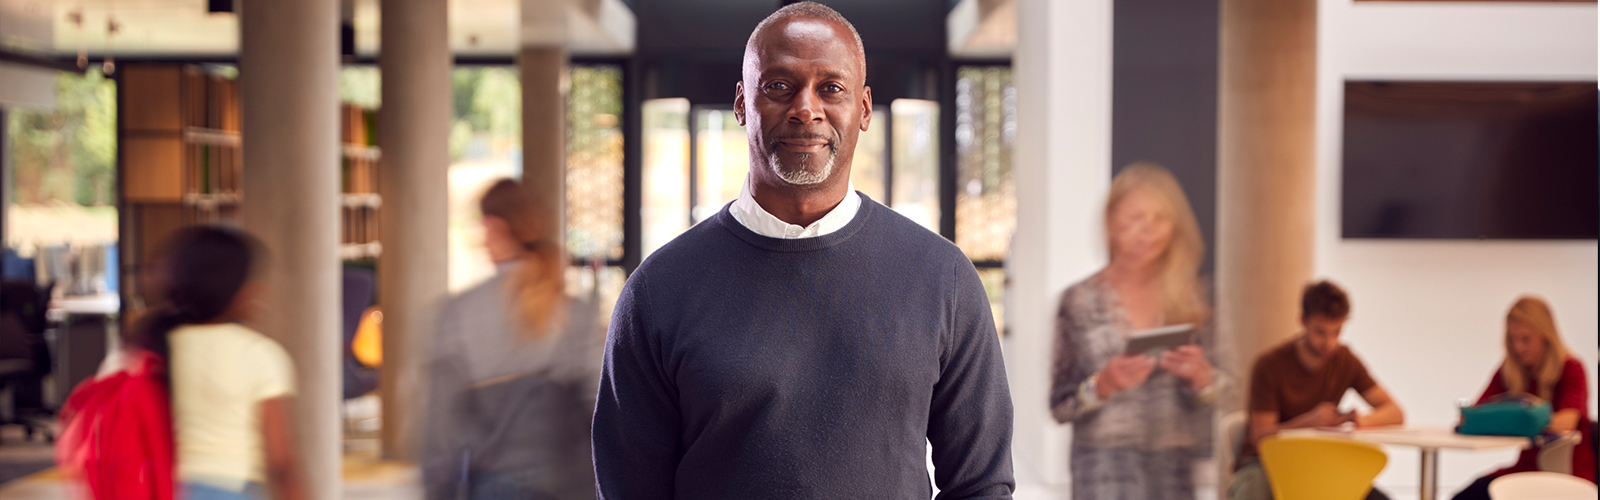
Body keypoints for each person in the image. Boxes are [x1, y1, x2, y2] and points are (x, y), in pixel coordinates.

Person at [590, 3, 1014, 498]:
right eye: (778, 86)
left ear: (865, 109)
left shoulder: (944, 279)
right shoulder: (657, 292)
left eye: (830, 88)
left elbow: (981, 485)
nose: (805, 108)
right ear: (742, 103)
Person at [421, 178, 603, 499]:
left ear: (494, 226)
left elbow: (441, 424)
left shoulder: (460, 314)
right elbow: (601, 405)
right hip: (570, 484)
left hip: (495, 485)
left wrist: (436, 487)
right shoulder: (574, 313)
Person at [1050, 163, 1223, 500]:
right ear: (1111, 223)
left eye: (1160, 219)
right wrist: (1103, 385)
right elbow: (1060, 406)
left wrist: (1204, 379)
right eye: (1134, 220)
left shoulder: (1196, 300)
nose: (1148, 232)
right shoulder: (1080, 302)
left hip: (1174, 467)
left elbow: (1225, 394)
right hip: (1103, 467)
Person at [129, 226, 304, 500]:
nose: (260, 288)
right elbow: (282, 464)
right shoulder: (260, 355)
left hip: (157, 489)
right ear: (232, 286)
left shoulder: (143, 349)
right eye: (251, 277)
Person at [1229, 281, 1402, 500]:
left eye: (1336, 332)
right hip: (1267, 463)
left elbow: (1395, 412)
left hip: (1318, 462)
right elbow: (1261, 437)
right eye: (1320, 332)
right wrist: (1308, 422)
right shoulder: (1269, 365)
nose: (1329, 342)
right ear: (1303, 321)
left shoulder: (1345, 360)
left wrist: (1359, 420)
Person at [1451, 296, 1595, 499]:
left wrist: (1511, 419)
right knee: (1467, 496)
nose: (1518, 347)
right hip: (1525, 469)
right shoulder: (1511, 370)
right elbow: (1473, 415)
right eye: (1512, 339)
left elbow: (1567, 421)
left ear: (1545, 336)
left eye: (1526, 339)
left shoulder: (1572, 368)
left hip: (1567, 472)